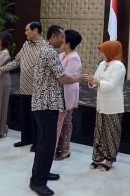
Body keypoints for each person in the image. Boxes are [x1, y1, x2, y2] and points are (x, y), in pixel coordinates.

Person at [29, 25, 84, 196]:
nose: (63, 40)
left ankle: (41, 174)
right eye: (61, 37)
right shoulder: (50, 52)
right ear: (54, 36)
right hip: (47, 103)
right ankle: (38, 182)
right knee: (46, 143)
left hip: (44, 102)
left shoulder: (45, 49)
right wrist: (77, 78)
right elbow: (63, 77)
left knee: (44, 141)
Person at [0, 21, 46, 151]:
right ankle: (26, 139)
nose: (25, 32)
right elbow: (17, 61)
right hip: (24, 85)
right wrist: (2, 69)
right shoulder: (26, 44)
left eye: (27, 30)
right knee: (25, 115)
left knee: (35, 118)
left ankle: (36, 142)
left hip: (37, 88)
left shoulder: (45, 47)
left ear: (35, 31)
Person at [83, 40, 125, 172]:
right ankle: (97, 157)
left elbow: (110, 86)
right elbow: (96, 82)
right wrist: (91, 80)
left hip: (113, 106)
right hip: (101, 105)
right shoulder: (102, 64)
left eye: (103, 51)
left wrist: (96, 80)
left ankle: (109, 160)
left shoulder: (119, 66)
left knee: (111, 134)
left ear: (110, 51)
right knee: (99, 132)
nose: (101, 54)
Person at [54, 30, 82, 161]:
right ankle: (62, 148)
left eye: (63, 38)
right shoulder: (62, 55)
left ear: (68, 43)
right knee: (63, 123)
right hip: (59, 93)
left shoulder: (74, 58)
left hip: (67, 94)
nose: (60, 40)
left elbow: (65, 78)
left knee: (64, 123)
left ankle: (64, 149)